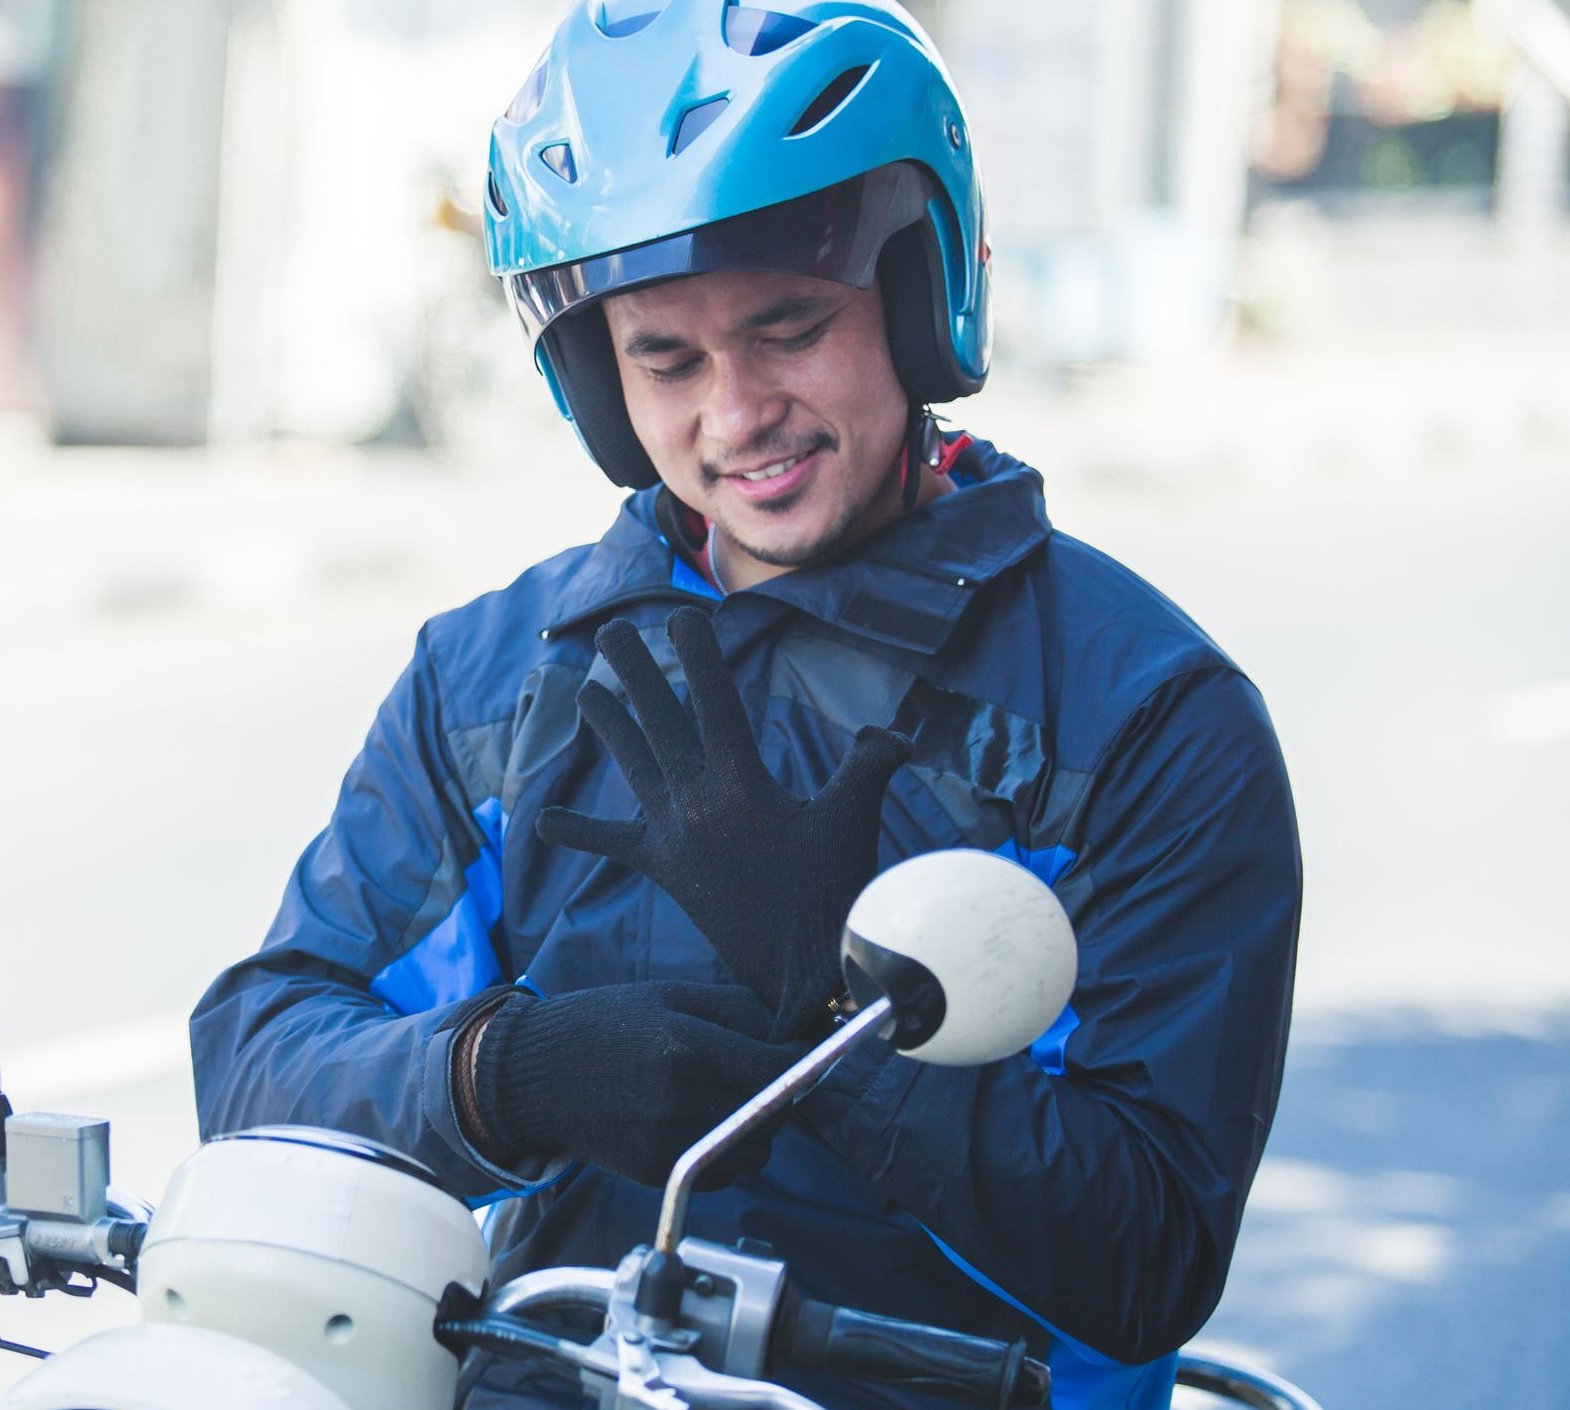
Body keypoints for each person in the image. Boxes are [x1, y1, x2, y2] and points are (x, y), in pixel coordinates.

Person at [189, 3, 1302, 1407]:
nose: (735, 414)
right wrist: (501, 1076)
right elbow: (255, 1061)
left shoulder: (1146, 721)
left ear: (917, 299)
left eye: (789, 328)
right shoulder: (494, 682)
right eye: (667, 358)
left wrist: (834, 1017)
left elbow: (1147, 1252)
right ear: (597, 379)